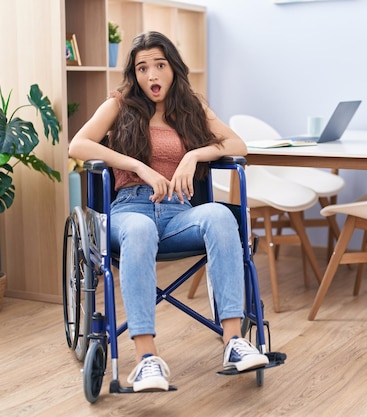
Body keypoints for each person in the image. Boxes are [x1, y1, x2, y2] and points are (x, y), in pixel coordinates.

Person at [68, 31, 268, 392]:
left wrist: (194, 155)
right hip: (131, 210)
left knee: (221, 216)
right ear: (135, 73)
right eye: (142, 68)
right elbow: (78, 144)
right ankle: (147, 360)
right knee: (141, 231)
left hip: (178, 212)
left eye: (159, 65)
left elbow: (237, 145)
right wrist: (138, 167)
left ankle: (234, 342)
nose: (151, 75)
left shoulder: (191, 109)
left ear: (172, 68)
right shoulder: (119, 104)